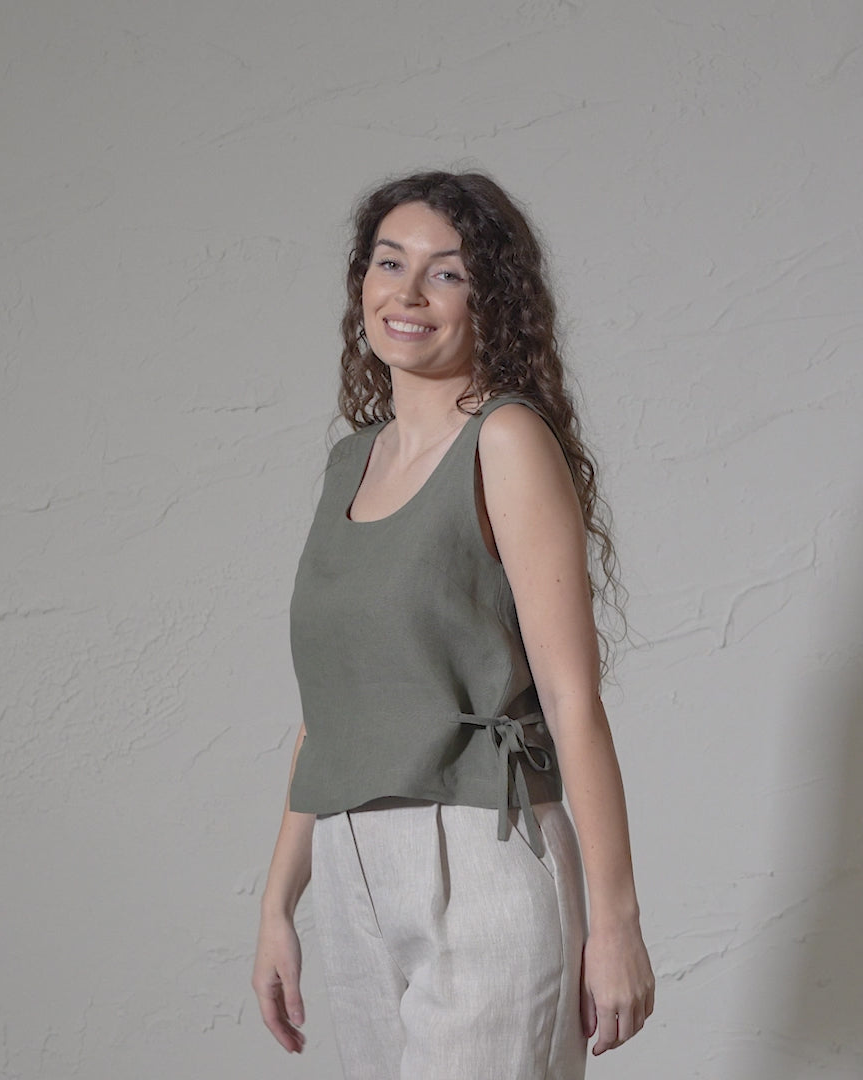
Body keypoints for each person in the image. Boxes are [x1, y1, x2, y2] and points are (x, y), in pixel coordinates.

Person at [251, 169, 655, 1079]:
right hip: (350, 862)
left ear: (491, 299)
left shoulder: (505, 441)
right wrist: (280, 903)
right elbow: (333, 710)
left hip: (484, 850)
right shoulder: (351, 462)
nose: (409, 292)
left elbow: (571, 698)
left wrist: (615, 922)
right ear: (362, 280)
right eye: (390, 262)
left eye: (448, 272)